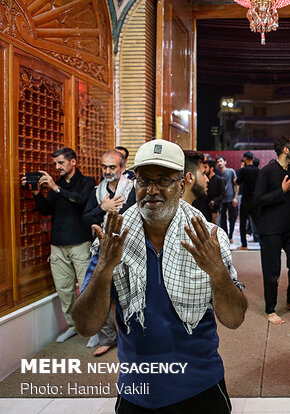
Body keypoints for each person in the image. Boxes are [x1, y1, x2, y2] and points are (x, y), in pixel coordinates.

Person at [72, 139, 247, 413]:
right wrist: (104, 269)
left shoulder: (209, 238)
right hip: (136, 391)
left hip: (200, 387)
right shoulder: (113, 240)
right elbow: (85, 326)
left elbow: (234, 319)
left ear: (181, 185)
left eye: (163, 180)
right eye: (144, 181)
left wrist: (217, 272)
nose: (151, 191)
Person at [21, 147, 96, 343]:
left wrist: (55, 188)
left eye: (60, 163)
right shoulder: (59, 183)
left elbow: (80, 201)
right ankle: (73, 326)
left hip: (80, 243)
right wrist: (37, 193)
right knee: (64, 290)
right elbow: (45, 210)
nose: (57, 167)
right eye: (55, 164)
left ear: (73, 162)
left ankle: (94, 330)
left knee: (87, 289)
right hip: (58, 245)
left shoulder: (87, 182)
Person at [82, 150, 136, 356]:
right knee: (94, 294)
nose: (107, 171)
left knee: (127, 297)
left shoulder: (133, 189)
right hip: (101, 251)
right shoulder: (97, 191)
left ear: (122, 168)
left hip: (127, 250)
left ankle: (130, 340)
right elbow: (86, 220)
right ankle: (108, 338)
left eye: (112, 167)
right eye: (104, 167)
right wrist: (102, 208)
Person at [254, 136, 290, 324]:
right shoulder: (266, 172)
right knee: (272, 271)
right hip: (271, 229)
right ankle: (270, 309)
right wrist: (281, 191)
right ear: (285, 149)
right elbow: (258, 200)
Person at [235, 151, 260, 250]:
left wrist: (235, 180)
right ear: (253, 159)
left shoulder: (243, 170)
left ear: (245, 159)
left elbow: (237, 181)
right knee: (257, 222)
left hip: (246, 199)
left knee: (243, 223)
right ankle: (264, 243)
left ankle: (244, 245)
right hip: (255, 200)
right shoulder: (258, 171)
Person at [194, 159, 225, 224]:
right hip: (204, 207)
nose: (204, 170)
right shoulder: (203, 179)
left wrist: (214, 201)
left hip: (214, 208)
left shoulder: (219, 180)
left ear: (211, 168)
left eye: (205, 167)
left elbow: (222, 195)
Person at [216, 156, 239, 242]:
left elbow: (236, 184)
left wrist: (235, 197)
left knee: (232, 218)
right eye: (218, 162)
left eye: (221, 161)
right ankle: (225, 236)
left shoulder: (231, 171)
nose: (219, 163)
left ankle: (231, 236)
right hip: (221, 199)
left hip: (230, 198)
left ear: (225, 162)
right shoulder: (217, 173)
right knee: (222, 219)